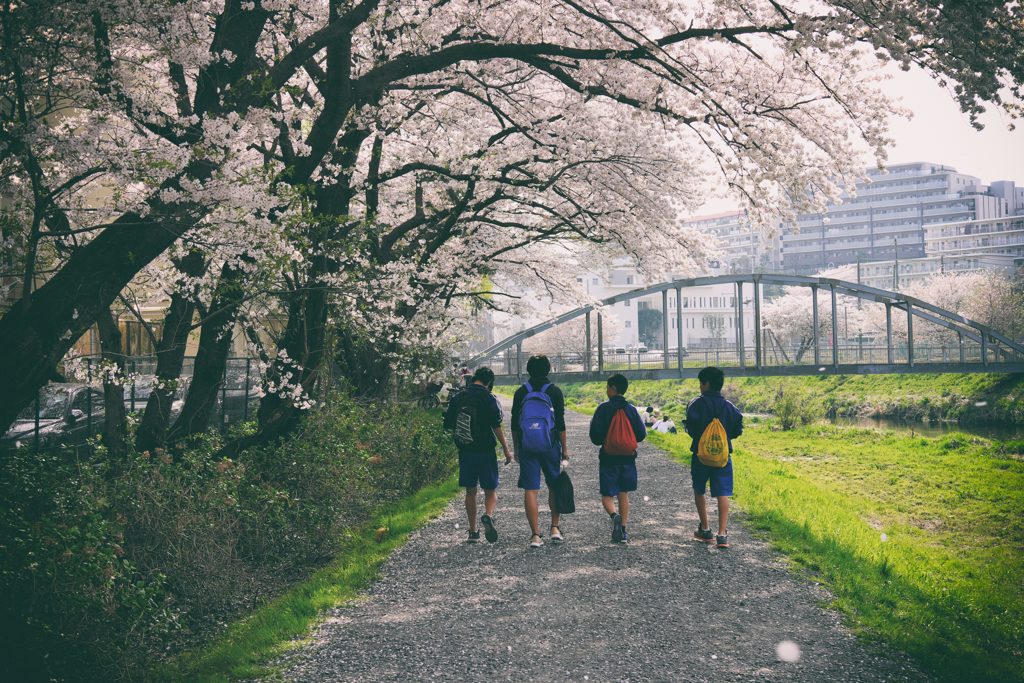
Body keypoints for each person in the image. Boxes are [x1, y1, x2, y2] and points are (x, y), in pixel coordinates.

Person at [443, 367, 512, 543]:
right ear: (489, 382)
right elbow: (496, 425)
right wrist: (506, 448)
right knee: (490, 490)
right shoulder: (488, 397)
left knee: (470, 491)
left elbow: (448, 423)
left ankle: (473, 532)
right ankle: (488, 515)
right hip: (485, 449)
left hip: (466, 450)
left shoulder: (458, 397)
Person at [510, 354, 568, 548]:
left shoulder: (520, 392)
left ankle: (535, 535)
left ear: (528, 370)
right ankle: (554, 528)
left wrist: (516, 448)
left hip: (528, 445)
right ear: (548, 369)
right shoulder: (554, 392)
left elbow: (515, 425)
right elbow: (560, 423)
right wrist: (565, 450)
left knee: (531, 489)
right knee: (554, 485)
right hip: (550, 444)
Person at [685, 367, 743, 549]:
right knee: (723, 492)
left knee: (699, 489)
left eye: (701, 383)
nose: (700, 386)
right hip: (723, 457)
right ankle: (722, 534)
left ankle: (705, 529)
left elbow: (692, 428)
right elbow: (737, 429)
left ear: (706, 384)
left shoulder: (696, 404)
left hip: (700, 455)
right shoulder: (729, 407)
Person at [589, 374, 646, 544]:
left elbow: (595, 438)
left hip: (608, 459)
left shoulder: (603, 409)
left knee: (607, 495)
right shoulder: (631, 409)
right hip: (628, 459)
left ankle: (614, 516)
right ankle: (623, 531)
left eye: (607, 387)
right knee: (623, 494)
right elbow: (641, 434)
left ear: (612, 388)